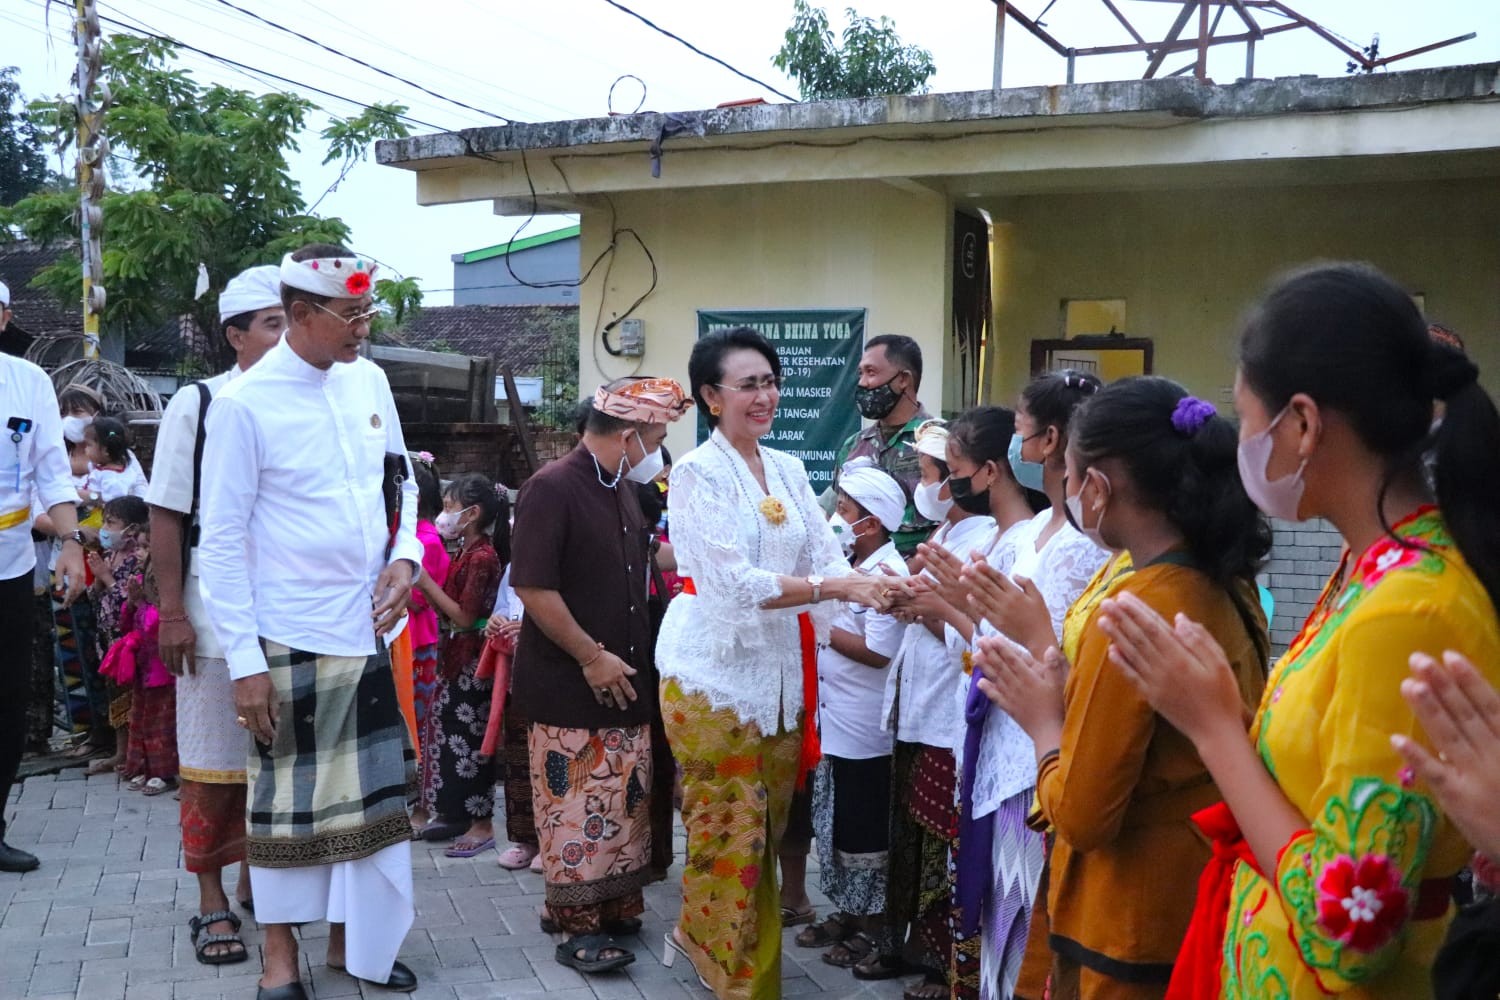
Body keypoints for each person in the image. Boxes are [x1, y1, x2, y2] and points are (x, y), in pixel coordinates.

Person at [1096, 263, 1500, 998]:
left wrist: (1215, 729)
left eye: (1248, 418)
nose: (1241, 441)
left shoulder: (1408, 607)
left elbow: (1351, 931)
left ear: (1305, 424)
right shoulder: (1369, 566)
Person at [978, 376, 1271, 1000]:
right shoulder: (1225, 582)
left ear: (1100, 489)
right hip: (1195, 893)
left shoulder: (1134, 612)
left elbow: (1084, 816)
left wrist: (1045, 725)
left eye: (1073, 478)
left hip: (1128, 926)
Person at [197, 244, 423, 998]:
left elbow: (405, 484)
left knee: (368, 807)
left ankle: (352, 949)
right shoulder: (241, 406)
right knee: (288, 811)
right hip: (287, 635)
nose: (363, 327)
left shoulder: (371, 380)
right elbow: (221, 542)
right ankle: (279, 962)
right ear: (299, 315)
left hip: (368, 628)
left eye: (367, 311)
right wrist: (245, 662)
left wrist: (408, 557)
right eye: (350, 313)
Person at [656, 327, 893, 999]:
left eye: (771, 382)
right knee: (731, 834)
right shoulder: (696, 475)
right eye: (748, 384)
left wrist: (883, 587)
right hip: (713, 677)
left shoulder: (788, 468)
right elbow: (733, 585)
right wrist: (838, 588)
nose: (765, 396)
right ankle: (741, 982)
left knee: (766, 832)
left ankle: (708, 943)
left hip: (782, 677)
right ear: (710, 396)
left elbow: (826, 557)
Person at [508, 375, 692, 975]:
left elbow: (647, 558)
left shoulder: (619, 488)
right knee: (577, 804)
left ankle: (611, 906)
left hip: (625, 679)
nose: (660, 449)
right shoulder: (552, 487)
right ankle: (574, 924)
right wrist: (590, 655)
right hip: (570, 685)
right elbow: (534, 586)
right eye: (659, 436)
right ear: (630, 434)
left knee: (622, 801)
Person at [871, 405, 1035, 1000]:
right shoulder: (996, 536)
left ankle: (954, 971)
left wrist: (942, 607)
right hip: (974, 724)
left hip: (1000, 732)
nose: (934, 484)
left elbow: (1008, 645)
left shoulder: (1025, 544)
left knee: (967, 863)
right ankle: (954, 966)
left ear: (988, 471)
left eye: (947, 469)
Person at [957, 371, 1107, 1000]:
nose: (1014, 442)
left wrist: (1018, 631)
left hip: (1037, 749)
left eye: (1020, 430)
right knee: (1000, 914)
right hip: (1003, 735)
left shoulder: (1084, 542)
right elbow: (1003, 632)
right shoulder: (1040, 530)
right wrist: (953, 606)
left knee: (1028, 917)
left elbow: (1068, 650)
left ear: (1049, 440)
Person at [147, 263, 282, 961]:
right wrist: (174, 612)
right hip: (211, 613)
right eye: (272, 324)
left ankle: (265, 881)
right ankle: (211, 899)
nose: (286, 336)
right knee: (213, 759)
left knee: (275, 758)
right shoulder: (197, 403)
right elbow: (166, 513)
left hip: (288, 613)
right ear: (234, 335)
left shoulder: (302, 399)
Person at [806, 460, 908, 971]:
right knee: (837, 829)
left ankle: (873, 929)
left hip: (867, 729)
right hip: (835, 724)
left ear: (872, 521)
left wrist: (822, 625)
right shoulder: (847, 567)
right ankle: (847, 912)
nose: (837, 517)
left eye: (845, 510)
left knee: (866, 835)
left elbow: (878, 652)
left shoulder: (889, 574)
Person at [0, 347, 88, 872]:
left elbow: (53, 472)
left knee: (8, 698)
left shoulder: (27, 381)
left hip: (10, 564)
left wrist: (72, 542)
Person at [413, 474, 506, 857]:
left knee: (471, 743)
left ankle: (481, 824)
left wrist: (423, 582)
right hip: (456, 656)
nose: (446, 514)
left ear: (473, 513)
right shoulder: (465, 552)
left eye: (451, 507)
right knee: (449, 737)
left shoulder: (483, 557)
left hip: (472, 660)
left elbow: (466, 618)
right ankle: (454, 813)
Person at [94, 497, 177, 796]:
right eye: (139, 547)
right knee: (139, 716)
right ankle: (142, 766)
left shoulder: (161, 582)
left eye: (145, 547)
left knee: (161, 721)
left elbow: (157, 622)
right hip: (139, 663)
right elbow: (128, 620)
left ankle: (163, 771)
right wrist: (132, 600)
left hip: (159, 667)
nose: (140, 553)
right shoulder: (130, 571)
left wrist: (132, 593)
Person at [828, 335, 936, 557]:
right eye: (860, 373)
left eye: (871, 372)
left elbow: (956, 521)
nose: (862, 383)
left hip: (921, 579)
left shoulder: (939, 442)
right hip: (859, 576)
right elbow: (832, 510)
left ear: (903, 379)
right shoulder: (854, 445)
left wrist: (908, 573)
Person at [406, 454, 450, 836]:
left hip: (420, 645)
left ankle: (423, 805)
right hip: (403, 643)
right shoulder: (409, 537)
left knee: (422, 727)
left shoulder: (426, 542)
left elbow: (416, 599)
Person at [83, 416, 148, 501]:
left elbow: (113, 502)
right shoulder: (104, 469)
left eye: (88, 445)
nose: (85, 449)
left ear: (105, 450)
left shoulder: (113, 479)